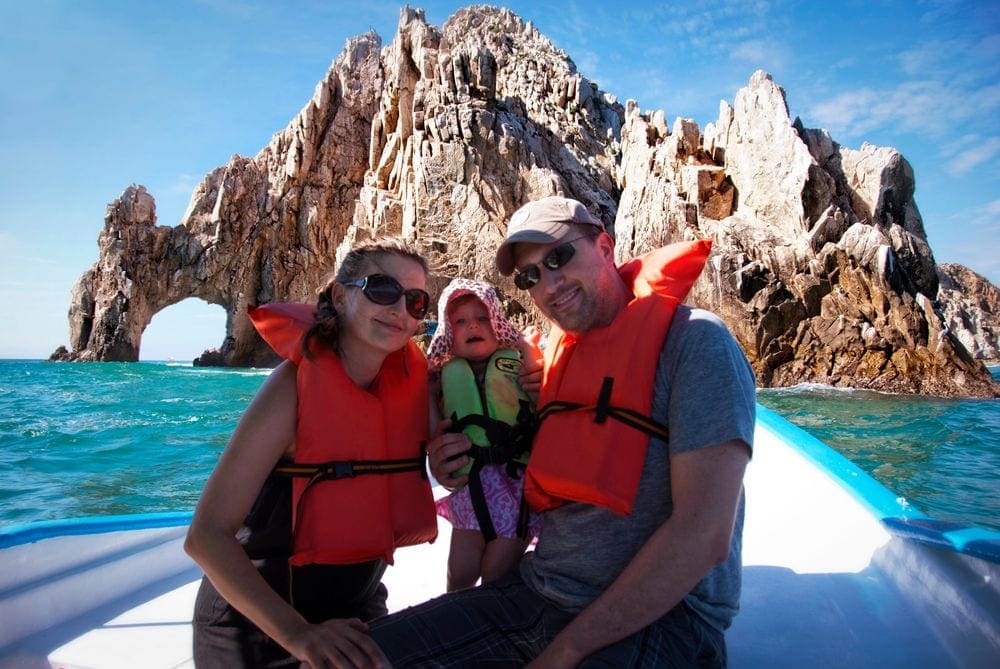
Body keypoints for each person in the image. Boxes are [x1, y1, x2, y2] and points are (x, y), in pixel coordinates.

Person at [369, 196, 756, 667]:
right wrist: (444, 462)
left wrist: (566, 651)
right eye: (530, 275)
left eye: (559, 257)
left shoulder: (697, 342)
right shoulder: (546, 365)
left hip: (666, 619)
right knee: (357, 659)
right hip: (540, 591)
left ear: (605, 245)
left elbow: (702, 533)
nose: (548, 283)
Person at [185, 237, 438, 669]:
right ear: (340, 296)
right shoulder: (291, 390)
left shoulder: (418, 386)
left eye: (416, 301)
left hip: (355, 611)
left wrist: (450, 466)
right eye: (382, 289)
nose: (399, 309)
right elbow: (205, 536)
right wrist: (299, 635)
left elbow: (453, 464)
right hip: (258, 626)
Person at [426, 278, 543, 591]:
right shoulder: (443, 377)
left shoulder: (519, 365)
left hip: (516, 488)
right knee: (459, 573)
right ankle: (453, 622)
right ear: (449, 334)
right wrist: (427, 395)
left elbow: (543, 407)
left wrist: (532, 362)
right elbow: (435, 428)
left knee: (495, 574)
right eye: (460, 321)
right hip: (470, 484)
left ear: (497, 325)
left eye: (481, 318)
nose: (471, 327)